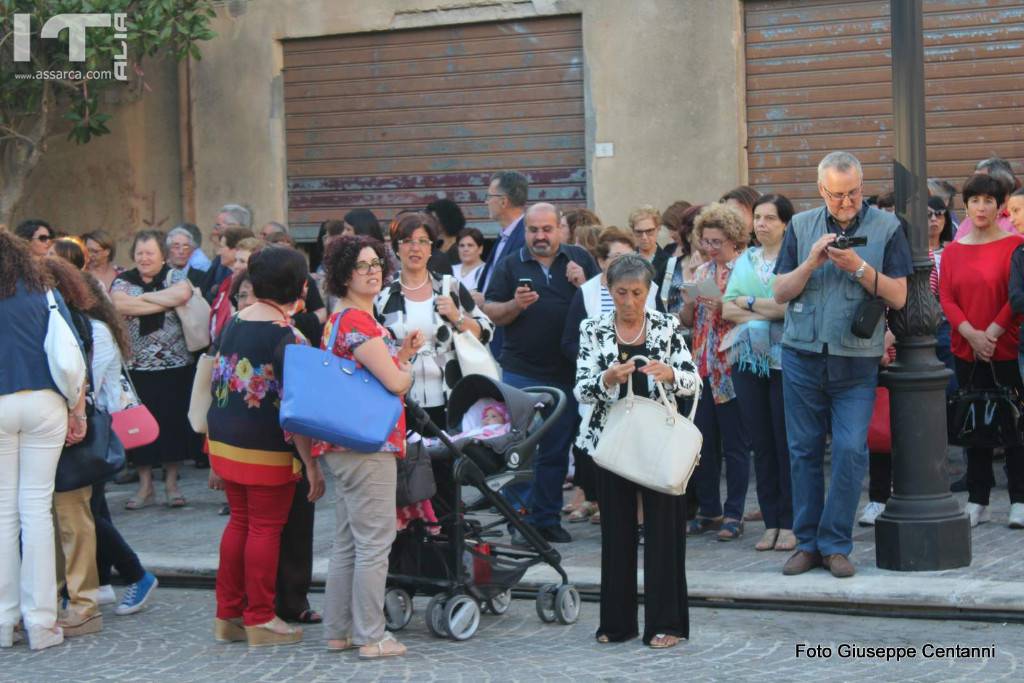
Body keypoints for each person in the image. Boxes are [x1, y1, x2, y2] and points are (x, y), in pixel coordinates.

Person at [772, 151, 912, 578]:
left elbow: (900, 296)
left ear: (862, 185)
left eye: (853, 193)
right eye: (837, 195)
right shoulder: (799, 226)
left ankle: (835, 544)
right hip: (802, 355)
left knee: (851, 451)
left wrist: (860, 268)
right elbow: (780, 292)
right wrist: (811, 262)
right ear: (821, 191)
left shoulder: (888, 228)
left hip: (856, 359)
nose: (847, 202)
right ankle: (808, 543)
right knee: (803, 452)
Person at [574, 254, 698, 649]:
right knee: (617, 534)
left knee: (665, 535)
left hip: (659, 441)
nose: (629, 301)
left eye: (637, 293)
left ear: (649, 293)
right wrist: (607, 378)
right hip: (612, 442)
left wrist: (671, 374)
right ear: (609, 292)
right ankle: (617, 622)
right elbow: (580, 388)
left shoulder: (665, 325)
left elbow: (692, 379)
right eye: (621, 292)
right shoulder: (592, 329)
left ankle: (667, 624)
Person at [207, 246, 325, 647]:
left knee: (238, 523)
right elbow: (298, 409)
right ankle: (259, 616)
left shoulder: (234, 321)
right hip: (267, 447)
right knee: (264, 528)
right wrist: (310, 463)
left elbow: (217, 380)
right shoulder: (290, 335)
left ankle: (229, 613)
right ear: (302, 287)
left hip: (226, 440)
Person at [319, 235, 420, 659]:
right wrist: (408, 366)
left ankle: (338, 631)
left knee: (347, 541)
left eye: (377, 263)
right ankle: (372, 636)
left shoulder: (337, 320)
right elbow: (395, 382)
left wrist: (400, 353)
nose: (373, 270)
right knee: (375, 543)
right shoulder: (357, 322)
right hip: (368, 445)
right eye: (361, 266)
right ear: (343, 274)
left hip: (343, 445)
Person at [482, 202, 599, 543]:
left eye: (547, 229)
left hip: (568, 372)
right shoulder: (509, 265)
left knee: (557, 450)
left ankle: (546, 519)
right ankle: (520, 521)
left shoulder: (579, 259)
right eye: (533, 230)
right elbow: (491, 312)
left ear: (561, 229)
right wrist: (516, 305)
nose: (540, 236)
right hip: (522, 372)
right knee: (521, 449)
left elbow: (604, 304)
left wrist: (586, 283)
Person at [0, 230, 85, 651]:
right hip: (45, 402)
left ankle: (3, 621)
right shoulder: (42, 292)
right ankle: (42, 622)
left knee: (2, 514)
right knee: (35, 511)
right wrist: (77, 409)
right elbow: (72, 359)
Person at [77, 274, 159, 618]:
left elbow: (86, 383)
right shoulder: (89, 327)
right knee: (94, 509)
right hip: (91, 426)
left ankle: (136, 574)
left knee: (89, 512)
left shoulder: (95, 331)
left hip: (95, 427)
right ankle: (100, 582)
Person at [944, 173, 1024, 529]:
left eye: (989, 201)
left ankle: (1019, 499)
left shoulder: (1015, 246)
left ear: (1000, 206)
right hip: (966, 348)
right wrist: (971, 335)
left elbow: (1016, 295)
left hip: (1003, 345)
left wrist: (990, 333)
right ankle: (978, 498)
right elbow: (946, 297)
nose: (981, 207)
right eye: (974, 200)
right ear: (966, 205)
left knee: (1014, 424)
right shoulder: (953, 250)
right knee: (973, 422)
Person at [562, 227, 655, 525]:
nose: (623, 264)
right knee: (608, 454)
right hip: (603, 388)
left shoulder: (649, 290)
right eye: (616, 257)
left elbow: (664, 336)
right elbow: (569, 343)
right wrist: (600, 365)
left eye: (629, 257)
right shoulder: (587, 292)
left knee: (641, 452)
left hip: (641, 386)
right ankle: (612, 512)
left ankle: (642, 515)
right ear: (602, 261)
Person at [721, 194, 796, 552]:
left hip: (787, 361)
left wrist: (749, 303)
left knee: (786, 442)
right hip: (747, 360)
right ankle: (771, 522)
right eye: (758, 217)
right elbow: (726, 309)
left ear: (785, 224)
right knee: (761, 444)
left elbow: (789, 307)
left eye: (770, 218)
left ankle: (792, 521)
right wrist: (765, 310)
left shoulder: (792, 259)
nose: (761, 224)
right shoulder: (746, 260)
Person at [39, 257, 105, 638]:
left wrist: (75, 415)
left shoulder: (68, 319)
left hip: (69, 426)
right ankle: (65, 599)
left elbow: (75, 373)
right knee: (52, 519)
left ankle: (83, 603)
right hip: (54, 425)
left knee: (71, 517)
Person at [376, 213, 493, 427]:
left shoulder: (450, 286)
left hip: (450, 397)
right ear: (396, 248)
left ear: (431, 248)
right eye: (407, 241)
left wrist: (457, 317)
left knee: (448, 457)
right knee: (409, 459)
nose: (415, 248)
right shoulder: (382, 295)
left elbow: (487, 330)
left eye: (423, 241)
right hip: (400, 400)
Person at [680, 204, 752, 541]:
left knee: (735, 445)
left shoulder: (745, 268)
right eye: (706, 241)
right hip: (702, 366)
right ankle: (710, 510)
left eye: (717, 242)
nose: (710, 248)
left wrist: (722, 304)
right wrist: (691, 300)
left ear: (733, 239)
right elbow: (684, 319)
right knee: (702, 442)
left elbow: (749, 312)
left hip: (732, 365)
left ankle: (734, 512)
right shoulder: (700, 271)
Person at [111, 230, 197, 510]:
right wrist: (163, 299)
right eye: (139, 253)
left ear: (162, 255)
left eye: (150, 253)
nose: (144, 258)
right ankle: (145, 485)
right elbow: (119, 304)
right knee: (140, 428)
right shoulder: (123, 281)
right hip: (138, 368)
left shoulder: (175, 276)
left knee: (172, 424)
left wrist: (142, 303)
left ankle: (172, 484)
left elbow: (183, 294)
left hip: (175, 366)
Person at [475, 171, 529, 302]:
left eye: (489, 196)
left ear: (503, 202)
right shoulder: (504, 236)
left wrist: (485, 300)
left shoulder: (527, 238)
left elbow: (522, 290)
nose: (486, 202)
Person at [954, 158, 1018, 240]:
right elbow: (956, 248)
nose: (973, 184)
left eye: (980, 180)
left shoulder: (1017, 219)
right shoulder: (970, 221)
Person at [660, 204, 706, 316]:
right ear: (689, 235)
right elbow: (660, 304)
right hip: (673, 330)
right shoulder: (672, 264)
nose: (705, 236)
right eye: (700, 232)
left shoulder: (716, 265)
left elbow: (713, 305)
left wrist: (701, 274)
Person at [201, 204, 253, 300]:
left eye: (218, 226)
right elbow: (204, 289)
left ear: (234, 226)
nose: (214, 231)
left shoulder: (252, 261)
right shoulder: (220, 259)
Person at [629, 205, 668, 286]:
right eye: (639, 232)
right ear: (633, 232)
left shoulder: (668, 261)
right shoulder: (627, 260)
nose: (644, 237)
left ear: (658, 229)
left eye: (649, 231)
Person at [425, 198, 466, 267]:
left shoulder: (462, 247)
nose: (429, 223)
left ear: (446, 219)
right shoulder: (435, 245)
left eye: (434, 219)